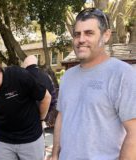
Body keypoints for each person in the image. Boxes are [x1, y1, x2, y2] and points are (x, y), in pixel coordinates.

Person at [52, 8, 136, 160]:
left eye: (89, 33)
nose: (81, 39)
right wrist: (54, 154)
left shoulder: (122, 74)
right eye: (77, 34)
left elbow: (134, 132)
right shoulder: (68, 77)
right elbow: (62, 117)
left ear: (106, 35)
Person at [22, 55, 57, 126]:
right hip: (42, 119)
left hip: (25, 121)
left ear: (25, 64)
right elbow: (53, 100)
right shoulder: (47, 76)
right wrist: (44, 117)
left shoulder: (21, 76)